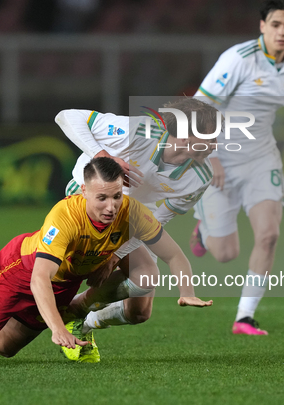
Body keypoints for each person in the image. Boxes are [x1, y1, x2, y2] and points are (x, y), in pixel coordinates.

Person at [0, 157, 211, 365]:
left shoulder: (131, 213)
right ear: (83, 191)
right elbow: (38, 278)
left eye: (116, 196)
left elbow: (174, 254)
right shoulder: (65, 216)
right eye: (102, 197)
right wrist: (57, 329)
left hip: (60, 284)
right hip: (18, 272)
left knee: (5, 347)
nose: (111, 206)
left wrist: (186, 291)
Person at [190, 0, 284, 335]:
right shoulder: (238, 59)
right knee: (225, 254)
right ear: (263, 26)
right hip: (220, 157)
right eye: (275, 24)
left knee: (268, 236)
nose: (282, 31)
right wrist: (211, 155)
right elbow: (199, 106)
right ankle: (204, 232)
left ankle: (244, 317)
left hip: (262, 159)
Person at [55, 97, 220, 361]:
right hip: (87, 203)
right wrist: (104, 157)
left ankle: (81, 318)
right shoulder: (138, 132)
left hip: (131, 218)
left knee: (139, 311)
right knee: (70, 271)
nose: (215, 144)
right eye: (210, 136)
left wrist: (117, 255)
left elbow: (158, 220)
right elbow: (66, 115)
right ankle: (52, 309)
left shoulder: (199, 177)